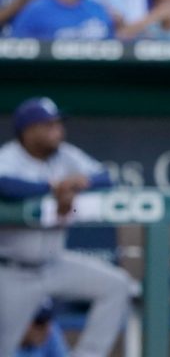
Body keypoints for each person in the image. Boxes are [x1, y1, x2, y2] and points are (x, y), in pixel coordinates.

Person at [0, 97, 133, 357]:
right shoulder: (9, 157)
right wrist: (53, 188)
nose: (57, 129)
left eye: (58, 123)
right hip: (11, 272)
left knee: (116, 285)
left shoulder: (66, 155)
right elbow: (4, 185)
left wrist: (77, 183)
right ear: (28, 131)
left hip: (55, 264)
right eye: (48, 125)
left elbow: (106, 178)